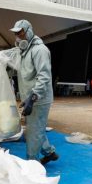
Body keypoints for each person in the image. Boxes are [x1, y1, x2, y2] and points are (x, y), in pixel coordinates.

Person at [10, 19, 58, 165]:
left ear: (29, 31)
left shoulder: (40, 50)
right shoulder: (25, 51)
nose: (18, 37)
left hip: (39, 98)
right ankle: (49, 152)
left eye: (21, 33)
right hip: (30, 97)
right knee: (36, 127)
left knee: (33, 131)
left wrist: (33, 97)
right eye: (16, 34)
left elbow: (44, 76)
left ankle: (32, 163)